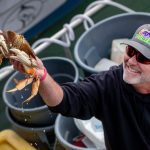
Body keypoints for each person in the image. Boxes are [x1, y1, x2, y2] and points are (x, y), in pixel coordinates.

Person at [11, 24, 150, 150]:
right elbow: (65, 100)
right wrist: (40, 75)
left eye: (143, 58)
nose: (131, 61)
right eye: (131, 51)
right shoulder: (109, 84)